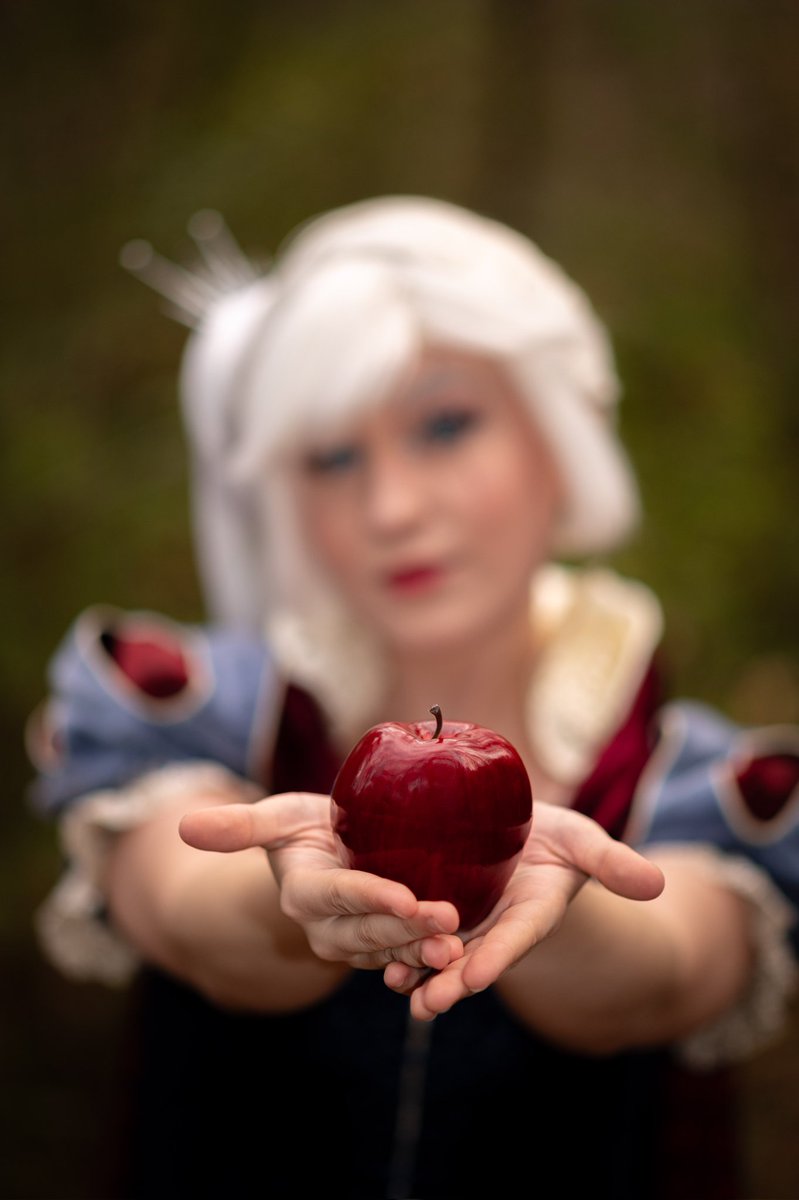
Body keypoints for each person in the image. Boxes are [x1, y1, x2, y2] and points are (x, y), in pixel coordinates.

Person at [28, 197, 799, 1199]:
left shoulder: (696, 782)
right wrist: (282, 900)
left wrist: (559, 919)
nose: (392, 508)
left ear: (556, 438)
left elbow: (671, 969)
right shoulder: (195, 711)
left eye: (443, 425)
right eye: (334, 458)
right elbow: (181, 907)